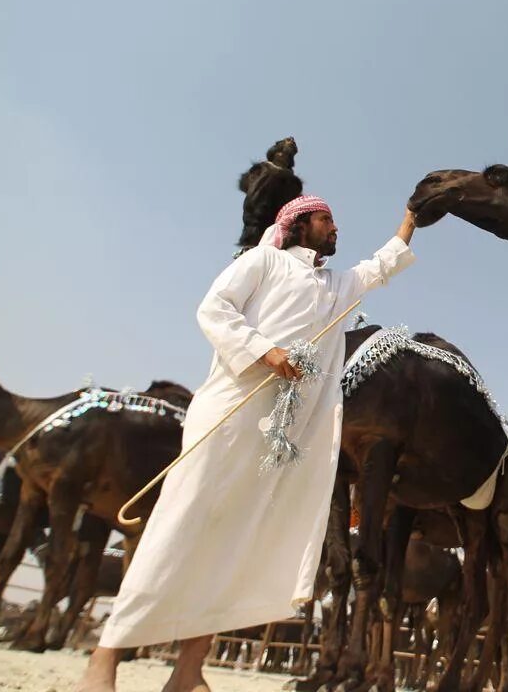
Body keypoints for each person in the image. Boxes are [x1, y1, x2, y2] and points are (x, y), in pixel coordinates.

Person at [79, 195, 417, 692]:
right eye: (326, 219)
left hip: (277, 440)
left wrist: (411, 219)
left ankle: (189, 671)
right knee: (180, 524)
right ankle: (103, 662)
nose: (335, 227)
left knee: (234, 544)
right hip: (228, 415)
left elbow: (380, 266)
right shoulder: (263, 261)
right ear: (299, 223)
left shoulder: (334, 284)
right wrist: (264, 351)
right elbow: (213, 309)